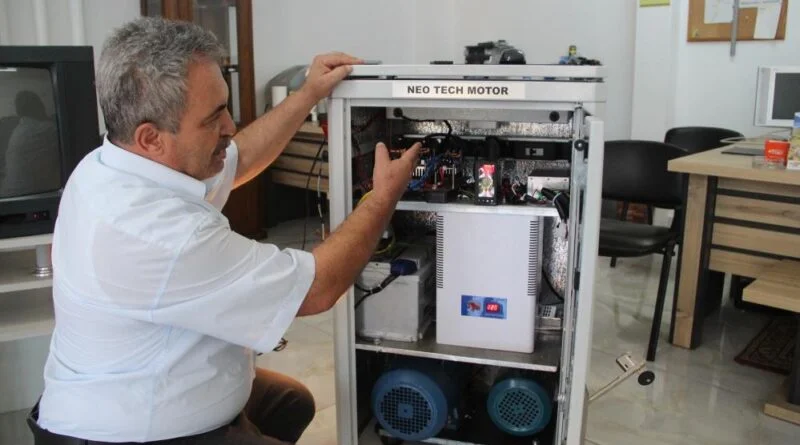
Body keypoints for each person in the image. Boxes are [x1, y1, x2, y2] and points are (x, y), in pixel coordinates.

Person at [27, 17, 421, 445]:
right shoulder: (154, 234)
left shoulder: (112, 163)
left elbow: (241, 157)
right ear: (151, 137)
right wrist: (381, 198)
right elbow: (317, 288)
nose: (230, 127)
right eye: (213, 117)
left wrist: (308, 92)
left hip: (141, 384)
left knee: (291, 402)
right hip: (131, 433)